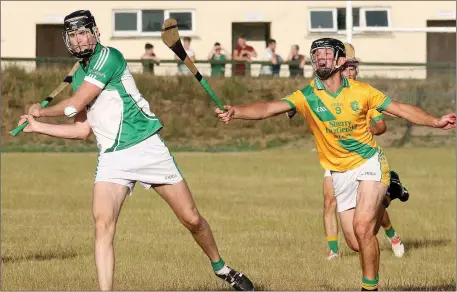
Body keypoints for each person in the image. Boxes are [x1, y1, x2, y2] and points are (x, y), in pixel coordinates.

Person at [18, 10, 254, 292]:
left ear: (95, 33)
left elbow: (72, 106)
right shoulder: (80, 75)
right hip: (112, 158)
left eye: (83, 32)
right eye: (73, 35)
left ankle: (221, 267)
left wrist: (42, 111)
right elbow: (81, 130)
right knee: (103, 225)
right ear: (67, 41)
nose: (79, 39)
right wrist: (37, 127)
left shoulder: (109, 57)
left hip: (146, 147)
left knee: (192, 219)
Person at [215, 37, 456, 291]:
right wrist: (237, 111)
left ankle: (369, 288)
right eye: (316, 54)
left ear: (341, 61)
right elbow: (267, 108)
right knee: (355, 241)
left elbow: (399, 108)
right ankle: (388, 195)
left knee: (363, 227)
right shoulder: (307, 96)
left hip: (368, 162)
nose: (321, 58)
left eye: (327, 54)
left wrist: (435, 122)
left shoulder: (362, 91)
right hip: (340, 173)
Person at [323, 43, 409, 261]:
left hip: (361, 159)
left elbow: (381, 126)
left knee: (368, 211)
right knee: (329, 201)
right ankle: (333, 250)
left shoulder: (362, 95)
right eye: (346, 67)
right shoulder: (325, 89)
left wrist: (360, 129)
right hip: (334, 157)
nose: (349, 72)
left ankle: (392, 229)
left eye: (353, 68)